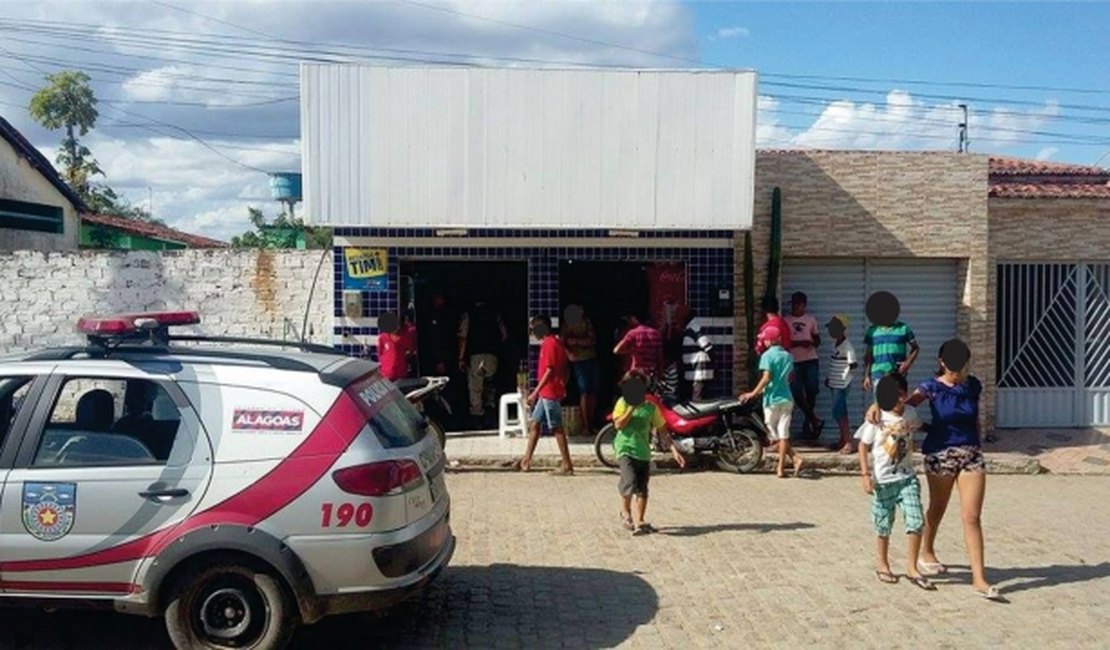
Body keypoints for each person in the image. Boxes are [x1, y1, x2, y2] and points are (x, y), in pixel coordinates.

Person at [866, 339, 1002, 601]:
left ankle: (979, 578)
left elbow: (974, 418)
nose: (957, 370)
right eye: (952, 364)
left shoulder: (973, 385)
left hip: (971, 454)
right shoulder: (931, 387)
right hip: (940, 454)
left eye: (960, 364)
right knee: (937, 508)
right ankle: (926, 551)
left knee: (971, 516)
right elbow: (903, 403)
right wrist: (875, 405)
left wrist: (978, 441)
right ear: (941, 362)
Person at [855, 372, 935, 590]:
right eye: (895, 396)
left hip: (907, 477)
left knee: (916, 519)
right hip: (883, 480)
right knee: (883, 524)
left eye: (902, 394)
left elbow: (920, 426)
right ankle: (882, 563)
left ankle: (912, 567)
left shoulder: (910, 413)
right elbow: (862, 445)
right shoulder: (876, 418)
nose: (900, 400)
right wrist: (865, 475)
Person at [612, 370, 686, 535]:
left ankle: (640, 520)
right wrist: (631, 409)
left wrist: (674, 451)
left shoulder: (651, 408)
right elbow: (618, 425)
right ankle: (625, 512)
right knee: (629, 480)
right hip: (625, 448)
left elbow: (662, 431)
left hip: (643, 452)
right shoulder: (622, 403)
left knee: (642, 487)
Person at [740, 326, 804, 478]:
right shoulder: (788, 356)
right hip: (787, 398)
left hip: (772, 399)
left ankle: (794, 457)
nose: (764, 341)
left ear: (771, 340)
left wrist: (753, 393)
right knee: (783, 435)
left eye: (766, 339)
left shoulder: (767, 356)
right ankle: (783, 466)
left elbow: (767, 377)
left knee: (772, 433)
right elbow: (788, 378)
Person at [518, 315, 574, 475]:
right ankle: (526, 460)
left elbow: (550, 371)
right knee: (535, 424)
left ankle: (567, 464)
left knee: (556, 427)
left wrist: (534, 393)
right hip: (546, 393)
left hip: (549, 393)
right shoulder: (553, 343)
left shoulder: (550, 344)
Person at [457, 300, 508, 419]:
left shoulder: (468, 315)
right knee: (490, 383)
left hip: (475, 356)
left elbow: (462, 338)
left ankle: (477, 415)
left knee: (475, 388)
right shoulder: (495, 314)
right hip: (492, 355)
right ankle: (491, 411)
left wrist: (460, 358)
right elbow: (504, 335)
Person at [785, 292, 823, 442]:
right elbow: (785, 343)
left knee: (812, 391)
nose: (795, 307)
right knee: (796, 392)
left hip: (810, 359)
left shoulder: (810, 320)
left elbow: (817, 339)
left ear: (804, 305)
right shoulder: (786, 320)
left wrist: (812, 342)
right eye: (793, 304)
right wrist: (799, 343)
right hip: (794, 361)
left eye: (798, 304)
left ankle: (808, 424)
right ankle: (814, 419)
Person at [562, 304, 600, 435]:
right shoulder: (568, 324)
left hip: (591, 358)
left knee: (593, 391)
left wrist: (576, 342)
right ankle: (586, 425)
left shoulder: (587, 322)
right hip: (578, 361)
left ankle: (591, 422)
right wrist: (569, 355)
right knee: (584, 391)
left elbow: (592, 340)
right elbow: (563, 342)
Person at [862, 310, 920, 395]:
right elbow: (869, 355)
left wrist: (908, 363)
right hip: (878, 373)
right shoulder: (872, 331)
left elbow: (915, 348)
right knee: (879, 405)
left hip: (897, 374)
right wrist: (867, 375)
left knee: (897, 404)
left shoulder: (903, 328)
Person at [825, 314, 859, 454]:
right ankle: (842, 439)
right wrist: (830, 378)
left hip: (842, 384)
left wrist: (845, 378)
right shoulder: (836, 344)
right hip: (835, 383)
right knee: (837, 412)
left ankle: (848, 442)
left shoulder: (847, 345)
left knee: (841, 412)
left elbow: (853, 364)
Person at [614, 312, 664, 382]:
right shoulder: (656, 333)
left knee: (636, 392)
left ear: (635, 319)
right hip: (651, 373)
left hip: (636, 374)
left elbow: (616, 350)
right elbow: (659, 358)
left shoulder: (633, 333)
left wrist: (632, 351)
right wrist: (660, 375)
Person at [681, 312, 714, 401]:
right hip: (694, 375)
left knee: (698, 401)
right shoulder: (689, 328)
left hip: (699, 375)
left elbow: (707, 346)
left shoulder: (694, 328)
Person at [420, 293, 456, 376]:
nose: (441, 301)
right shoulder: (430, 315)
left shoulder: (445, 314)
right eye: (439, 298)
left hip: (446, 355)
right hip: (435, 356)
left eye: (442, 298)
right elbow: (433, 339)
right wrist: (438, 360)